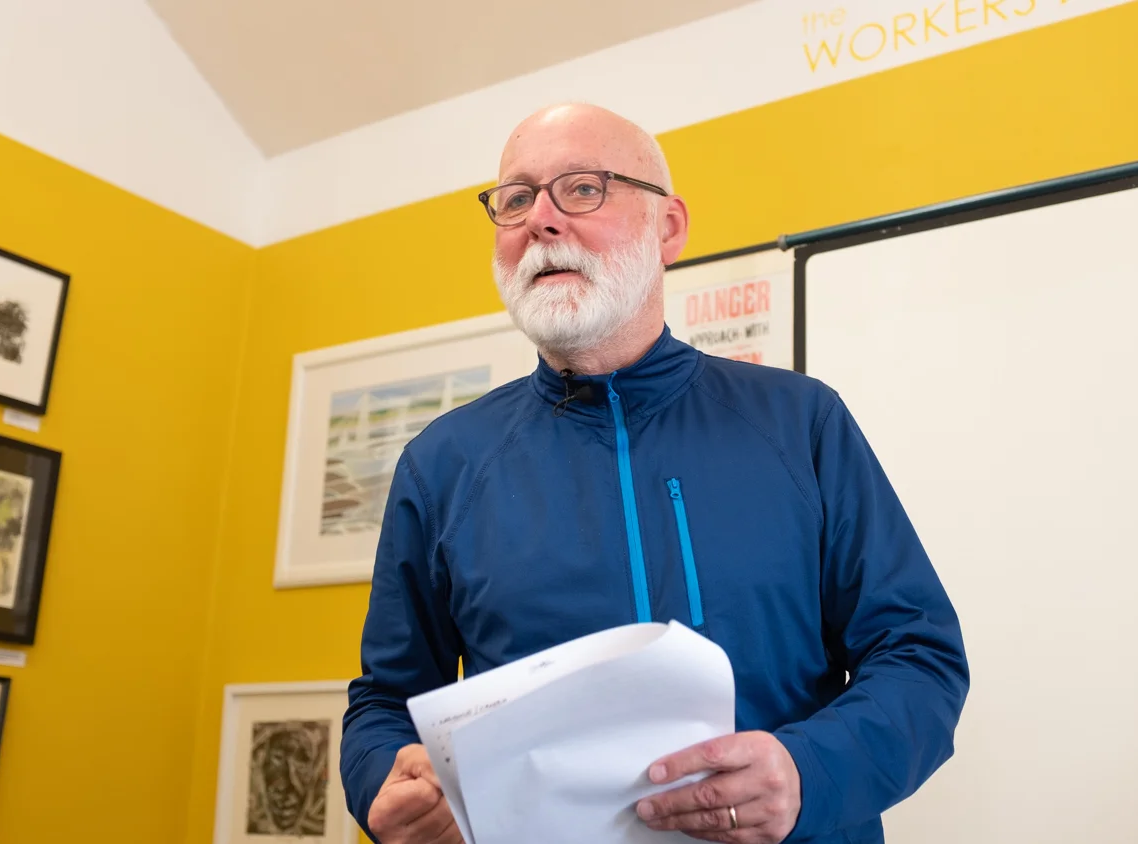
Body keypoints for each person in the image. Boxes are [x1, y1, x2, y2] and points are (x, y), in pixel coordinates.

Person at [340, 102, 969, 844]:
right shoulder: (442, 462)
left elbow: (919, 658)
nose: (541, 220)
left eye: (581, 189)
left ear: (667, 228)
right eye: (515, 200)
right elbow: (383, 704)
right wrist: (384, 784)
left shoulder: (801, 424)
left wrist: (807, 772)